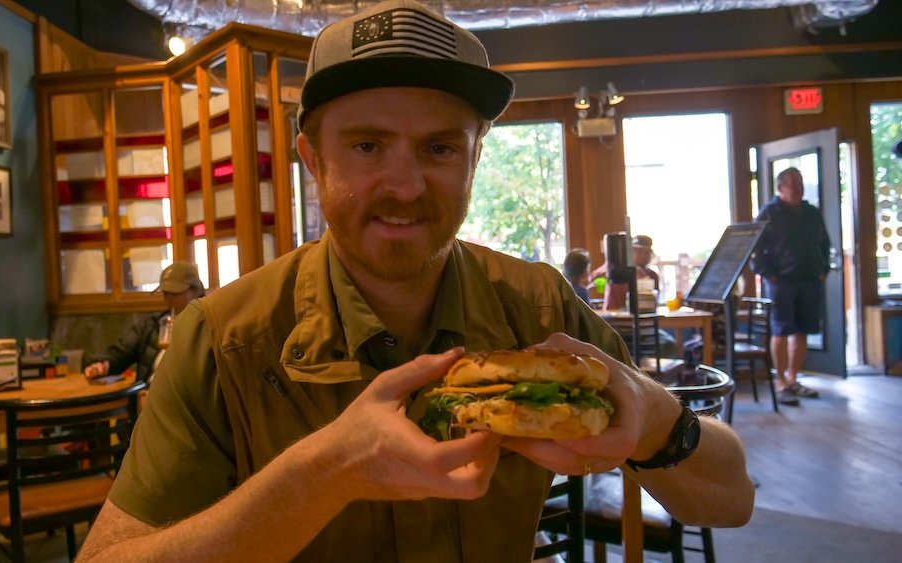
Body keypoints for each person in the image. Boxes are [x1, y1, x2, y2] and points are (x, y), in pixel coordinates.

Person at [76, 2, 754, 561]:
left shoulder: (540, 306)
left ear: (474, 159)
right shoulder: (222, 341)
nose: (405, 186)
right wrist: (325, 472)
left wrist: (655, 417)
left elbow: (732, 499)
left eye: (439, 148)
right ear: (313, 160)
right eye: (367, 146)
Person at [751, 167, 830, 406]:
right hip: (780, 283)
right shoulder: (769, 213)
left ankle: (794, 378)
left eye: (800, 184)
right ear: (780, 188)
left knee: (802, 331)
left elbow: (824, 244)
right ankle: (781, 382)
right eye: (793, 185)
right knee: (781, 331)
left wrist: (822, 271)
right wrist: (768, 275)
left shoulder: (811, 212)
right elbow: (753, 248)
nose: (798, 189)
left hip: (809, 281)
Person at [82, 261, 204, 382]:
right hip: (148, 393)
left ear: (195, 291)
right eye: (165, 293)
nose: (168, 299)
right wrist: (104, 365)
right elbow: (122, 352)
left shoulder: (206, 327)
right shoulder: (153, 324)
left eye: (174, 293)